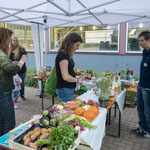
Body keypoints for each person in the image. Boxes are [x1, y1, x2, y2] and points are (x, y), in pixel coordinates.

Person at [0, 28, 28, 136]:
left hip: (2, 91)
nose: (10, 41)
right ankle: (6, 144)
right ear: (4, 39)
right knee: (9, 123)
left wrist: (11, 63)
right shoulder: (1, 54)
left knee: (2, 121)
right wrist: (22, 61)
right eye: (9, 39)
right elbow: (12, 71)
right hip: (4, 92)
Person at [131, 31, 150, 138]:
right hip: (141, 84)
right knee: (139, 107)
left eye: (142, 41)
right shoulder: (144, 51)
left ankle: (148, 131)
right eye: (139, 40)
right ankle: (142, 127)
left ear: (149, 40)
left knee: (147, 111)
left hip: (148, 88)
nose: (140, 43)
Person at [55, 33, 82, 102]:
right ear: (70, 43)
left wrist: (73, 72)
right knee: (66, 110)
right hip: (65, 89)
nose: (78, 48)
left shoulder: (66, 54)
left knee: (66, 109)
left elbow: (66, 70)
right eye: (77, 45)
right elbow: (65, 77)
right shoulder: (63, 55)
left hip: (67, 88)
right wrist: (77, 80)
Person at [9, 37, 28, 101]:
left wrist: (19, 62)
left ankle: (22, 95)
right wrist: (12, 62)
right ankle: (15, 98)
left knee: (21, 83)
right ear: (11, 41)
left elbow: (25, 57)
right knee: (14, 85)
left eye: (16, 40)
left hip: (21, 70)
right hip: (13, 71)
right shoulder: (8, 49)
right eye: (14, 41)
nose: (15, 42)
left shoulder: (21, 49)